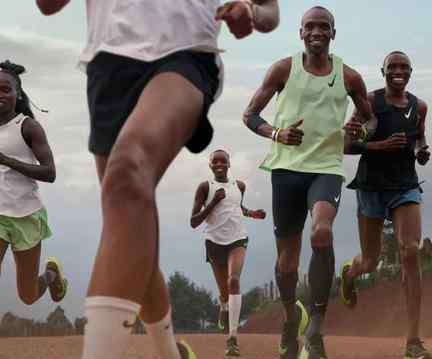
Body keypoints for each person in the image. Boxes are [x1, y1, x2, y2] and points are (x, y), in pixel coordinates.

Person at [37, 1, 280, 359]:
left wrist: (252, 13)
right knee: (127, 228)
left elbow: (268, 10)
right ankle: (170, 352)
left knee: (126, 178)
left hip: (185, 54)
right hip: (107, 62)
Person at [242, 6, 373, 359]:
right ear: (301, 33)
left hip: (326, 168)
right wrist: (277, 132)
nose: (317, 32)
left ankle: (315, 329)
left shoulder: (349, 77)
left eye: (324, 27)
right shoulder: (284, 69)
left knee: (322, 232)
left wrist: (359, 128)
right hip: (286, 171)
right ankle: (290, 318)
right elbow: (250, 115)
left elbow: (370, 120)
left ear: (333, 33)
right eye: (310, 27)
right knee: (286, 262)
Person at [339, 51, 432, 359]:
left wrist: (422, 151)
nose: (398, 71)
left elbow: (419, 139)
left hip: (405, 186)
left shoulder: (419, 107)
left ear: (411, 72)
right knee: (370, 261)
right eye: (392, 66)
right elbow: (346, 144)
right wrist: (377, 145)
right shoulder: (370, 103)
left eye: (404, 67)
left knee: (410, 251)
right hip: (371, 188)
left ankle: (414, 340)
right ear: (383, 71)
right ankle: (350, 276)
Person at [0, 60, 68, 307]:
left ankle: (51, 276)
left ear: (17, 95)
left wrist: (7, 160)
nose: (0, 95)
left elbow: (50, 172)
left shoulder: (28, 127)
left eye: (5, 89)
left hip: (26, 215)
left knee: (28, 296)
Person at [190, 149, 266, 357]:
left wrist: (252, 213)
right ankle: (223, 306)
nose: (219, 164)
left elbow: (236, 206)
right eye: (215, 162)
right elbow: (194, 221)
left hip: (237, 240)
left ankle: (232, 338)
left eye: (223, 161)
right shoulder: (205, 187)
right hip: (214, 243)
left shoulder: (239, 186)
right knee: (224, 291)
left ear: (229, 164)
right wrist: (213, 202)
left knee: (234, 281)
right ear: (210, 165)